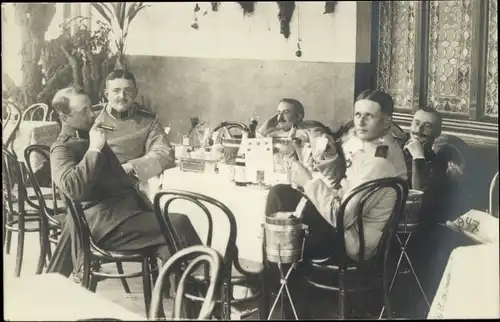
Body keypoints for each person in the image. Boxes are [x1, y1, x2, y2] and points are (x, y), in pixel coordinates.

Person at [264, 89, 407, 318]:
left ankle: (277, 289)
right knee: (284, 201)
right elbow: (345, 196)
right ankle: (280, 284)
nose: (360, 121)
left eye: (368, 116)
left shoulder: (379, 161)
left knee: (285, 217)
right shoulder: (373, 152)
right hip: (352, 231)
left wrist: (308, 181)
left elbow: (339, 216)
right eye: (357, 114)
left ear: (386, 121)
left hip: (353, 244)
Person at [46, 87, 202, 279]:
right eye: (84, 112)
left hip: (123, 215)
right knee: (179, 223)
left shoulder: (91, 136)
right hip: (104, 225)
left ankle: (190, 306)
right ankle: (211, 294)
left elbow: (118, 178)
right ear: (64, 117)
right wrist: (94, 149)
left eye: (90, 108)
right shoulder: (62, 148)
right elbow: (72, 188)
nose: (92, 114)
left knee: (170, 247)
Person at [94, 69, 175, 198]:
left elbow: (165, 155)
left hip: (132, 189)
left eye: (128, 91)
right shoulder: (92, 118)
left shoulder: (148, 121)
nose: (122, 96)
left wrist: (131, 167)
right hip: (96, 187)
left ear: (136, 93)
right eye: (116, 91)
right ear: (106, 94)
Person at [257, 98, 346, 187]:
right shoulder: (275, 134)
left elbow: (329, 176)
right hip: (279, 182)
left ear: (298, 117)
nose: (279, 118)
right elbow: (257, 158)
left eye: (286, 112)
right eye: (278, 113)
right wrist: (262, 132)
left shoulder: (312, 132)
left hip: (308, 188)